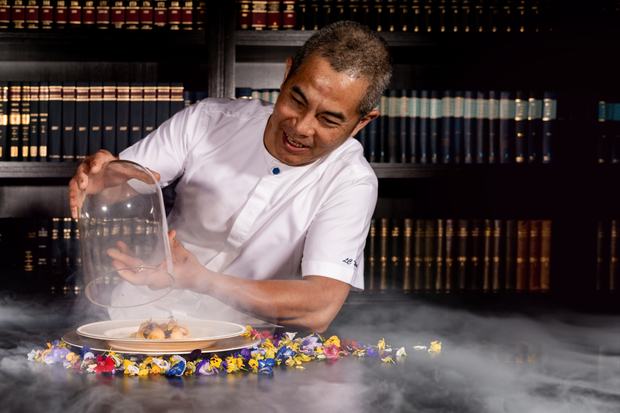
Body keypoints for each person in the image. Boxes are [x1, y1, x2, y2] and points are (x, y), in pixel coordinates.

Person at [68, 21, 392, 333]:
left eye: (328, 120)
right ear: (286, 74)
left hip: (248, 347)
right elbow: (118, 188)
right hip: (137, 319)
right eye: (297, 100)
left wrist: (201, 280)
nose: (301, 127)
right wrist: (101, 181)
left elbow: (319, 307)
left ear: (362, 122)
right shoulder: (208, 121)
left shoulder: (351, 182)